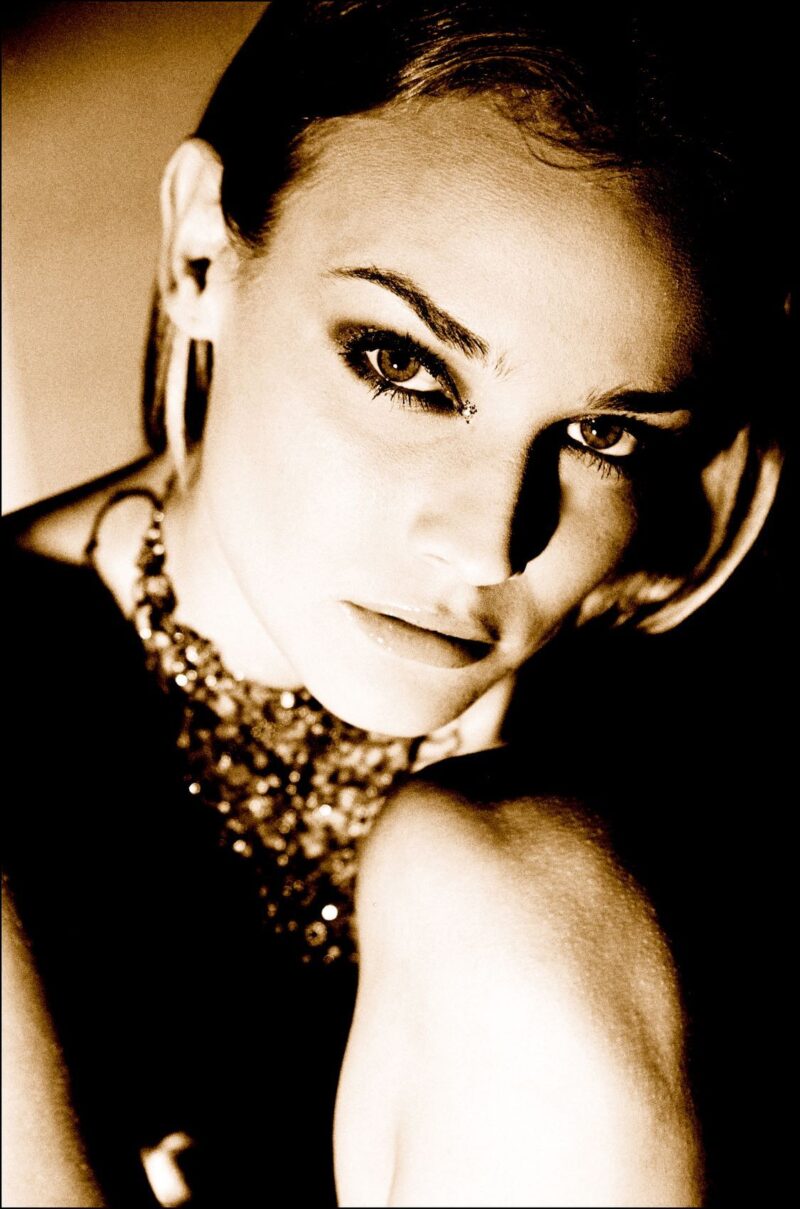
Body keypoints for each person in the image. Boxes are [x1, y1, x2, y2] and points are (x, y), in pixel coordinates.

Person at [2, 2, 792, 1205]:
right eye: (403, 365)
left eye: (603, 435)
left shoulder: (691, 745)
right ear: (202, 254)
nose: (485, 543)